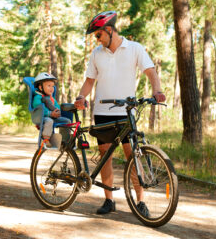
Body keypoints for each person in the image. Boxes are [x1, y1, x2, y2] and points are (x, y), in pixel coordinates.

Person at [74, 11, 166, 216]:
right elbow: (90, 80)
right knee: (105, 155)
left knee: (132, 155)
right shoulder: (97, 53)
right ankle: (109, 200)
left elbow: (150, 71)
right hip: (102, 111)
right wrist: (81, 97)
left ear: (109, 30)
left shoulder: (134, 48)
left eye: (98, 35)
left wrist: (157, 91)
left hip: (126, 112)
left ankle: (140, 201)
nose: (96, 40)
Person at [33, 72, 71, 147]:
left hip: (53, 116)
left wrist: (57, 111)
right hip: (43, 117)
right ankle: (46, 139)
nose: (51, 88)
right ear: (41, 87)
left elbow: (56, 106)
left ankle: (64, 140)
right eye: (49, 86)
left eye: (53, 86)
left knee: (67, 121)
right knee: (49, 121)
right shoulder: (38, 97)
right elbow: (38, 110)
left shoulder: (51, 98)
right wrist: (50, 113)